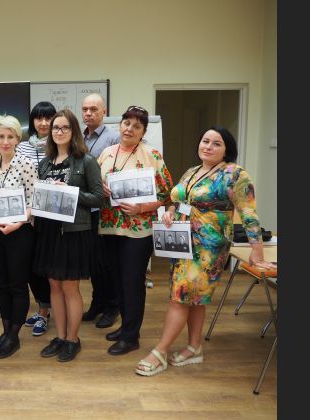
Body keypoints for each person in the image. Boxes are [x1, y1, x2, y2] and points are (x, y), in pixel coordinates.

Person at [134, 126, 276, 376]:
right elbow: (178, 200)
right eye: (205, 141)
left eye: (216, 143)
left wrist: (258, 252)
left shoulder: (234, 174)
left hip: (208, 247)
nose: (208, 146)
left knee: (180, 296)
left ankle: (160, 352)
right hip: (182, 243)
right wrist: (170, 212)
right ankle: (194, 347)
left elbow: (248, 213)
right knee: (194, 297)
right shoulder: (192, 171)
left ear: (226, 149)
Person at [98, 105, 174, 356]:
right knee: (117, 281)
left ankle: (131, 337)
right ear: (120, 125)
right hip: (110, 227)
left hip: (139, 231)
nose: (129, 129)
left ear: (143, 131)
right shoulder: (107, 153)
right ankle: (125, 327)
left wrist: (142, 207)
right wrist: (101, 188)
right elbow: (95, 184)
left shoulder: (151, 155)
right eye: (126, 123)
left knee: (132, 282)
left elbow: (167, 195)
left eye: (136, 126)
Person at [33, 109, 103, 362]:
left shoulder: (86, 161)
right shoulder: (45, 163)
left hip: (73, 232)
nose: (59, 132)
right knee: (54, 285)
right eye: (55, 128)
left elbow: (99, 198)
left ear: (73, 131)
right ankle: (60, 336)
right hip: (49, 232)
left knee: (70, 287)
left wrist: (70, 191)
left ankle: (73, 339)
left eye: (64, 127)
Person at [0, 115, 37, 359]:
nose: (5, 141)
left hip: (19, 232)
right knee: (2, 284)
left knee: (17, 284)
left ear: (17, 139)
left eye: (10, 136)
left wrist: (18, 223)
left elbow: (34, 202)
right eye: (1, 136)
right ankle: (6, 333)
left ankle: (14, 336)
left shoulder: (26, 164)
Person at [80, 94, 122, 329]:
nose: (88, 113)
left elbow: (124, 166)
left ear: (103, 112)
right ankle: (97, 303)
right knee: (93, 262)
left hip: (105, 209)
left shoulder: (114, 137)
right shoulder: (79, 136)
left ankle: (112, 307)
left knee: (107, 262)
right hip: (85, 207)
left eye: (93, 109)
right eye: (85, 109)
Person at [19, 102, 57, 336]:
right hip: (26, 217)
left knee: (46, 266)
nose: (43, 123)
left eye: (48, 118)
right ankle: (42, 307)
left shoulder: (58, 145)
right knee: (31, 266)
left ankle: (45, 311)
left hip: (49, 216)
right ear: (32, 121)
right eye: (38, 118)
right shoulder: (22, 146)